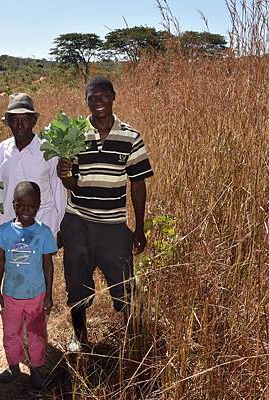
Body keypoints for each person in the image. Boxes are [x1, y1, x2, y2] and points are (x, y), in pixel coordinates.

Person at [56, 75, 154, 351]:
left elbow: (138, 183)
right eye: (92, 97)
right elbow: (73, 183)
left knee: (125, 284)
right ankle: (80, 337)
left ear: (113, 97)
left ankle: (135, 340)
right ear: (85, 100)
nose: (98, 101)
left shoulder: (131, 136)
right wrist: (64, 176)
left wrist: (138, 227)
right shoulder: (74, 135)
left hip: (113, 225)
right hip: (78, 222)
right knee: (76, 283)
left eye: (103, 96)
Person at [0, 181, 57, 389]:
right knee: (11, 333)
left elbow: (48, 265)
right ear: (14, 205)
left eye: (31, 206)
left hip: (36, 295)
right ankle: (13, 367)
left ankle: (36, 368)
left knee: (37, 333)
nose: (26, 210)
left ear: (38, 205)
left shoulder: (44, 232)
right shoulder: (4, 231)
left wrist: (48, 294)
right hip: (11, 294)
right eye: (21, 205)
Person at [0, 93, 66, 239]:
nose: (20, 125)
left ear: (34, 121)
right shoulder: (2, 149)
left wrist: (59, 229)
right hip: (8, 228)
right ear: (9, 122)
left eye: (25, 119)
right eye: (14, 120)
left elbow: (58, 192)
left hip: (41, 228)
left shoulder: (48, 150)